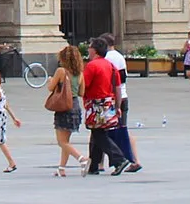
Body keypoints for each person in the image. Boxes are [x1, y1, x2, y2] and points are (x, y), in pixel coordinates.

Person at [83, 37, 131, 175]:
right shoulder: (110, 65)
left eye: (90, 47)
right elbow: (117, 86)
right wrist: (117, 106)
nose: (88, 49)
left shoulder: (92, 66)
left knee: (98, 133)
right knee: (99, 132)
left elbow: (84, 85)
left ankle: (119, 159)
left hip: (95, 103)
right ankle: (94, 165)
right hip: (109, 102)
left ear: (95, 50)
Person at [101, 34, 141, 170]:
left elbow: (111, 80)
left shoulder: (106, 58)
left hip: (113, 99)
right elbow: (123, 77)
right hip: (124, 96)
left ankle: (130, 160)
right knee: (121, 129)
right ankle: (135, 160)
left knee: (103, 131)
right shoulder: (119, 56)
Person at [48, 44, 85, 175]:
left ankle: (82, 159)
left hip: (63, 106)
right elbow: (81, 92)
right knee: (66, 141)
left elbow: (50, 88)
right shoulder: (80, 73)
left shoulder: (61, 71)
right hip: (75, 105)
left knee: (61, 142)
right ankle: (61, 169)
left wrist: (50, 80)